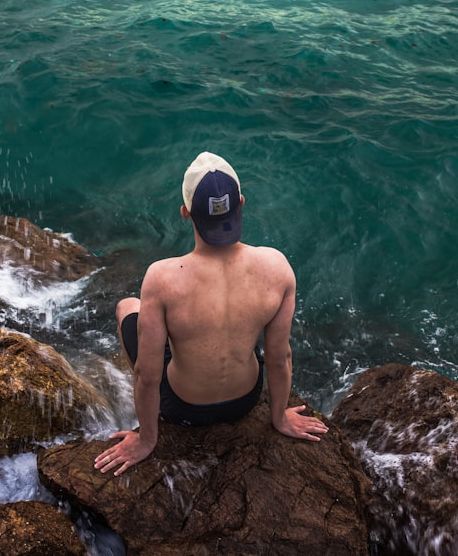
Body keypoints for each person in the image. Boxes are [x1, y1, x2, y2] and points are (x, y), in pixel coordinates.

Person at [94, 152, 328, 476]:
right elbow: (279, 357)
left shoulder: (162, 278)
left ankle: (150, 422)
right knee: (246, 333)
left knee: (126, 307)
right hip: (246, 401)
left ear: (185, 214)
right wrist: (280, 419)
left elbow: (147, 376)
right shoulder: (277, 267)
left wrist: (146, 441)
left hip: (182, 409)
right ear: (241, 203)